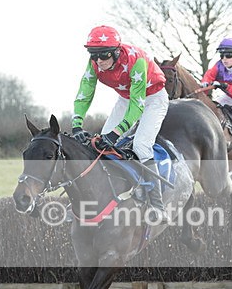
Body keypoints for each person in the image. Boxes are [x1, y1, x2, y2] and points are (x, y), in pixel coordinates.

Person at [70, 25, 170, 223]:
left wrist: (117, 133)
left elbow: (137, 105)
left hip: (152, 98)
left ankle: (157, 204)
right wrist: (76, 124)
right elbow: (85, 92)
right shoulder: (95, 63)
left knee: (141, 145)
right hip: (126, 98)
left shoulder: (136, 61)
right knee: (102, 147)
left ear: (116, 51)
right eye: (93, 55)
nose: (99, 61)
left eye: (104, 55)